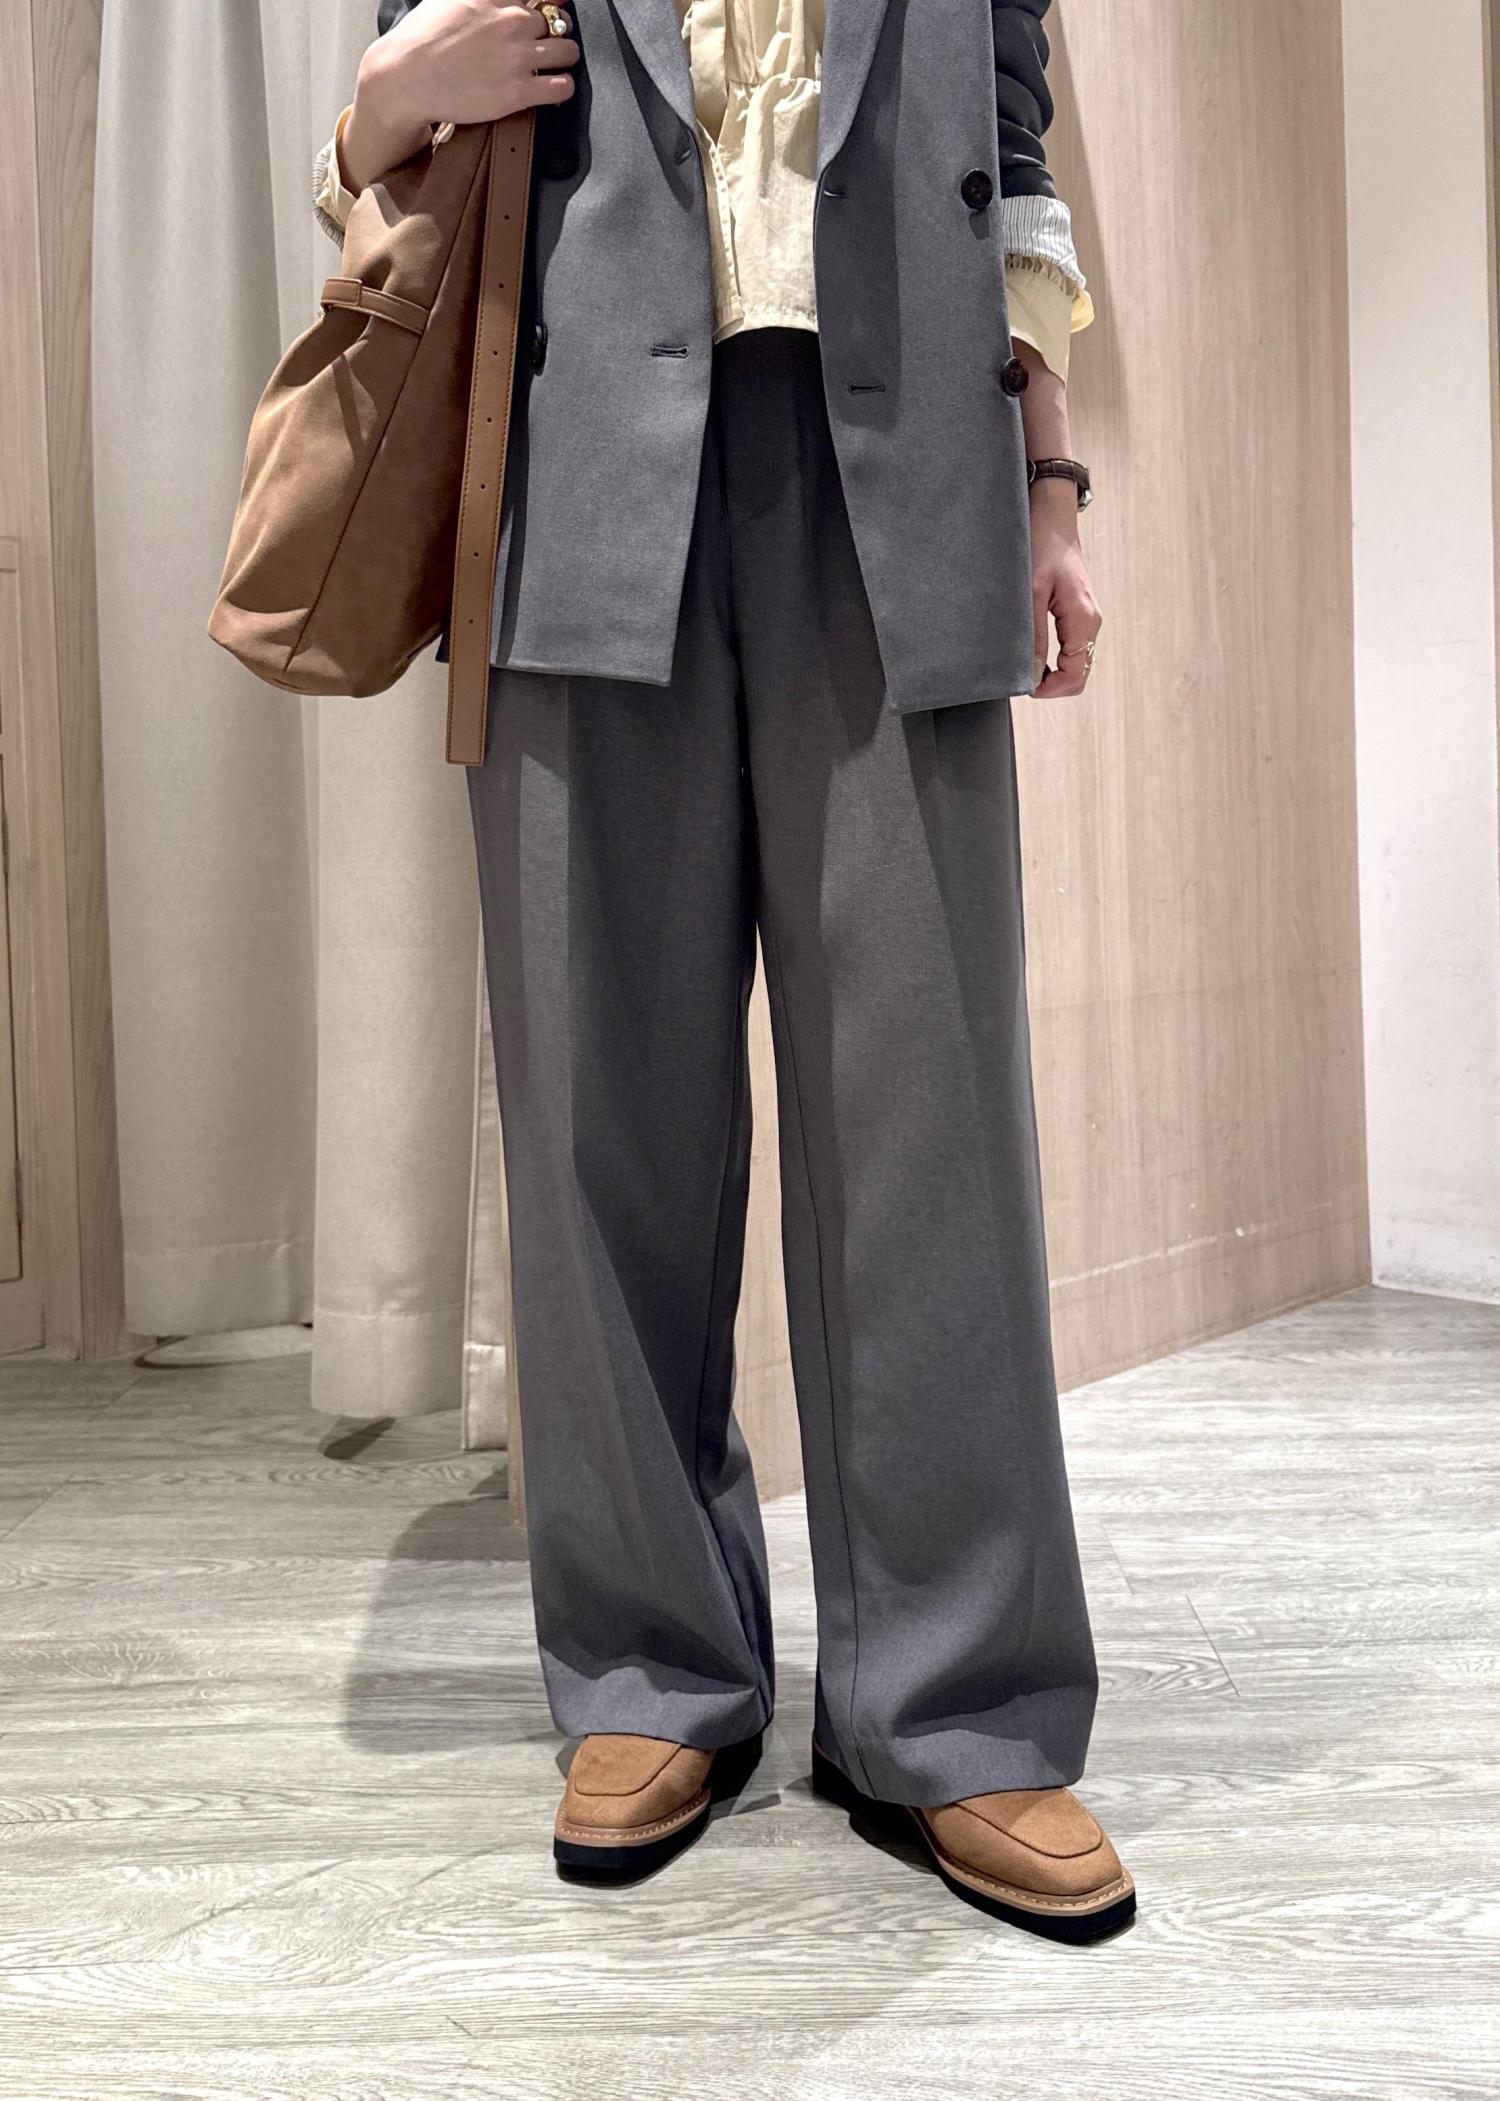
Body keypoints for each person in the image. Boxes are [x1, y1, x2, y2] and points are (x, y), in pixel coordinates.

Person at [314, 0, 1131, 1942]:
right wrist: (389, 102)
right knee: (602, 1104)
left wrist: (1050, 488)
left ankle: (958, 1702)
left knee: (932, 1123)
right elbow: (387, 134)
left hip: (904, 469)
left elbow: (1015, 157)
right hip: (574, 468)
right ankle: (650, 1666)